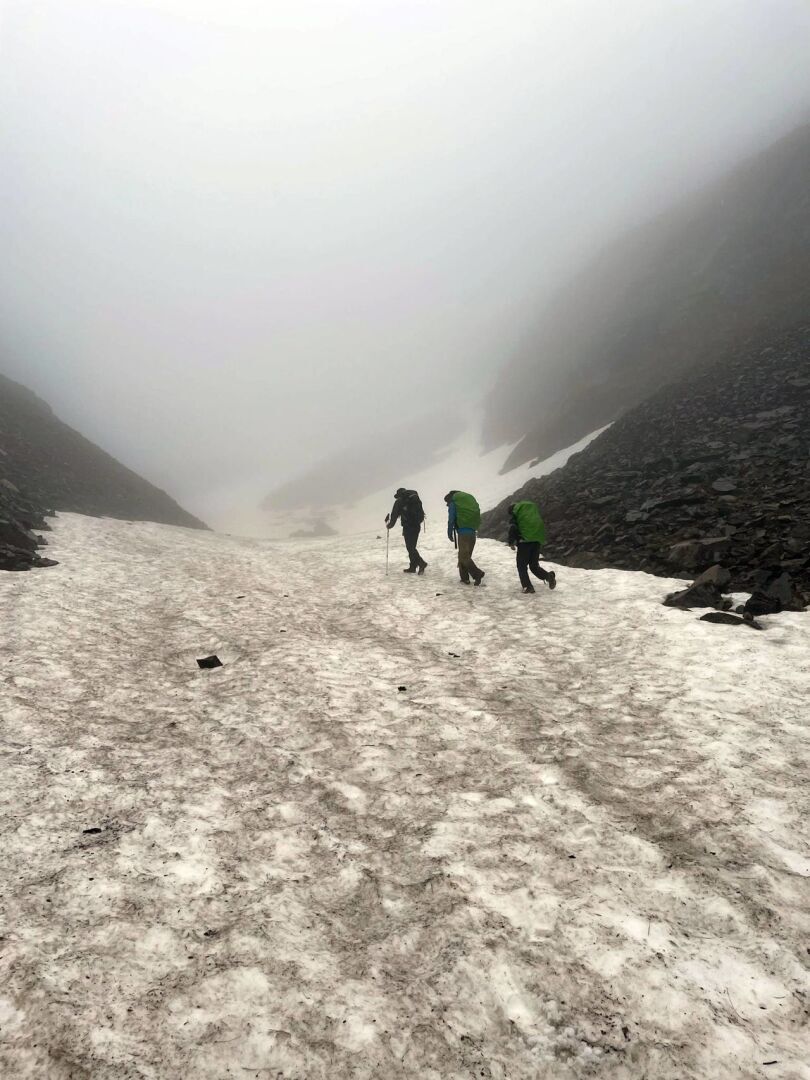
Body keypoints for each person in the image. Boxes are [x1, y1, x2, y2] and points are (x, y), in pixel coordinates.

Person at [508, 500, 556, 594]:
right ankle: (548, 576)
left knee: (521, 566)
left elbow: (513, 528)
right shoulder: (529, 515)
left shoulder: (517, 516)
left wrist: (511, 542)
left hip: (524, 542)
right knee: (533, 566)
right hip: (536, 541)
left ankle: (527, 587)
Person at [444, 490, 485, 585]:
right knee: (464, 556)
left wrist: (449, 533)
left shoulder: (453, 503)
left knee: (463, 557)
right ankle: (464, 578)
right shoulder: (465, 503)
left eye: (447, 502)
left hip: (463, 533)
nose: (447, 504)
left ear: (449, 499)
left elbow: (451, 520)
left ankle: (477, 573)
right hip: (472, 532)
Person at [386, 488, 427, 574]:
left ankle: (421, 563)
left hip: (408, 527)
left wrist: (389, 525)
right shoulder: (414, 499)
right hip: (416, 526)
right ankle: (413, 566)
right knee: (412, 547)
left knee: (410, 547)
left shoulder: (399, 502)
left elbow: (394, 516)